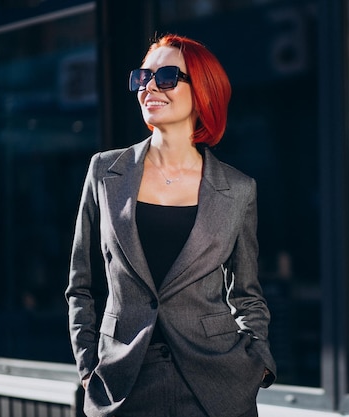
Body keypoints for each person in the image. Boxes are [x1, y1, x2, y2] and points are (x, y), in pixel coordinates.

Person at [65, 34, 276, 417]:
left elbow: (246, 294)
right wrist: (87, 368)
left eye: (166, 76)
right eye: (143, 76)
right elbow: (83, 285)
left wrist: (257, 363)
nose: (149, 86)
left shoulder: (239, 190)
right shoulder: (104, 173)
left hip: (217, 388)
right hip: (123, 385)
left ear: (203, 91)